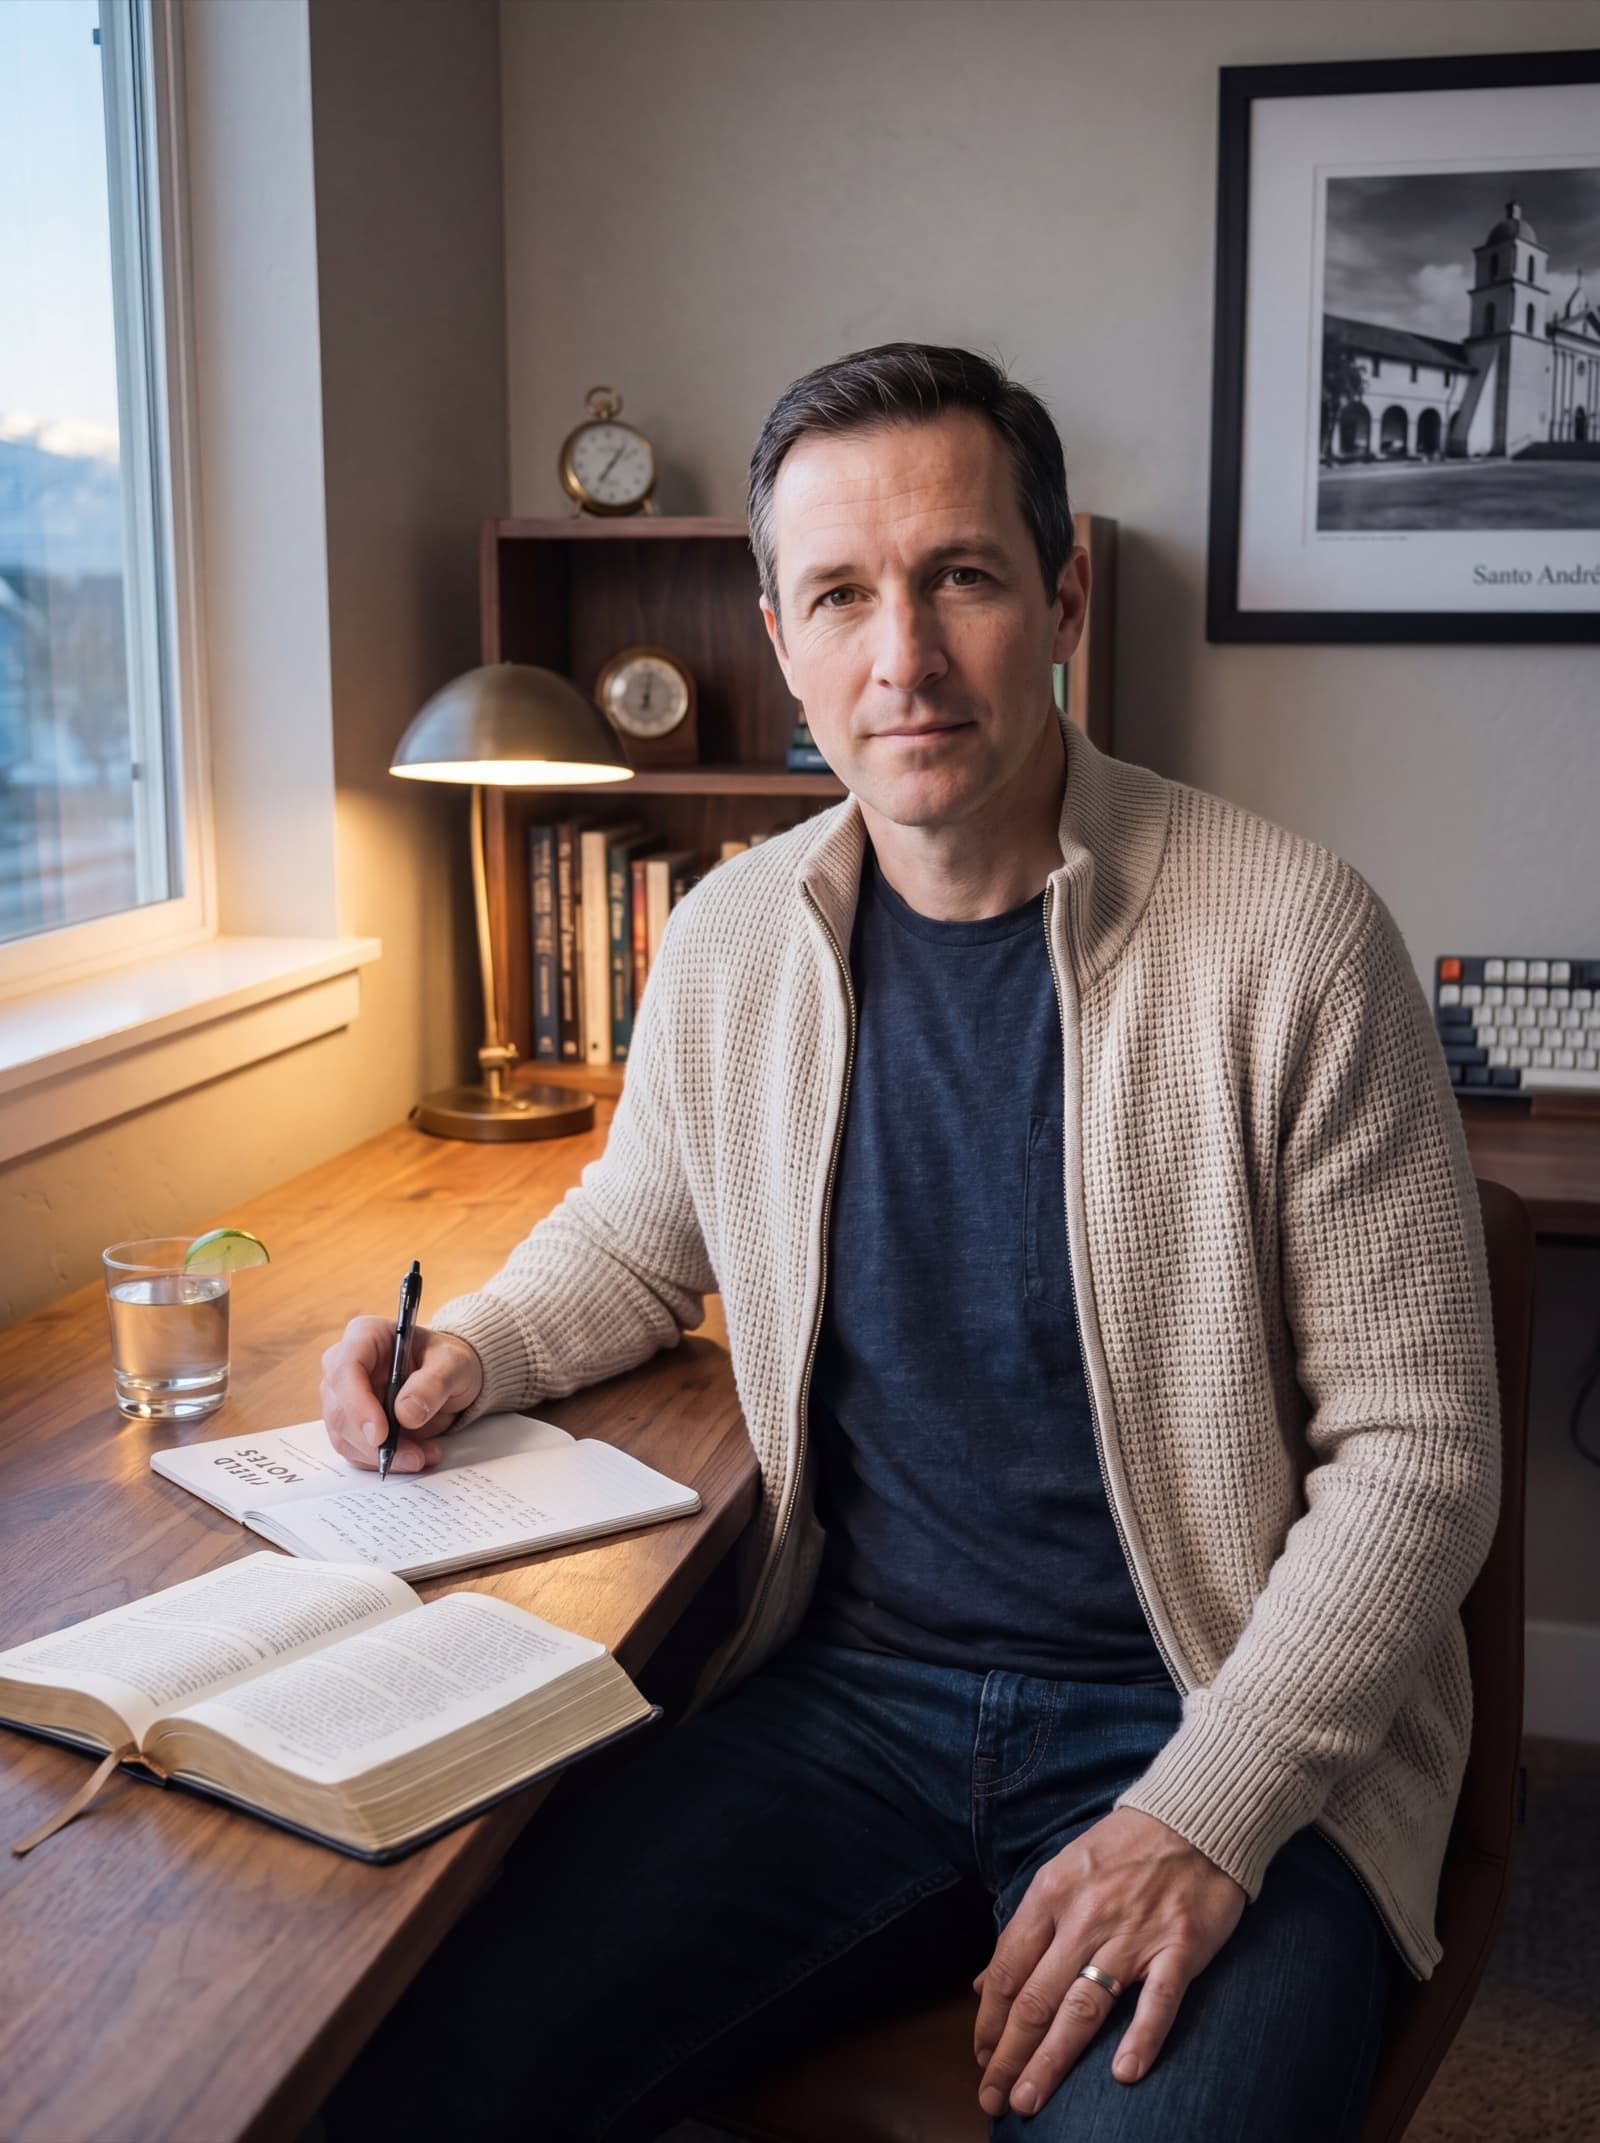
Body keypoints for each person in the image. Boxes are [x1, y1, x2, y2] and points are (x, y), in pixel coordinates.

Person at [315, 342, 1499, 2143]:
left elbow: (1419, 1456)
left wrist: (1207, 1810)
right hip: (850, 1701)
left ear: (1064, 598)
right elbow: (637, 1235)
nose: (906, 659)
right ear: (779, 637)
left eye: (961, 578)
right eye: (843, 597)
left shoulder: (1295, 939)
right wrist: (471, 1345)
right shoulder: (731, 938)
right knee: (419, 2073)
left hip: (1207, 1705)